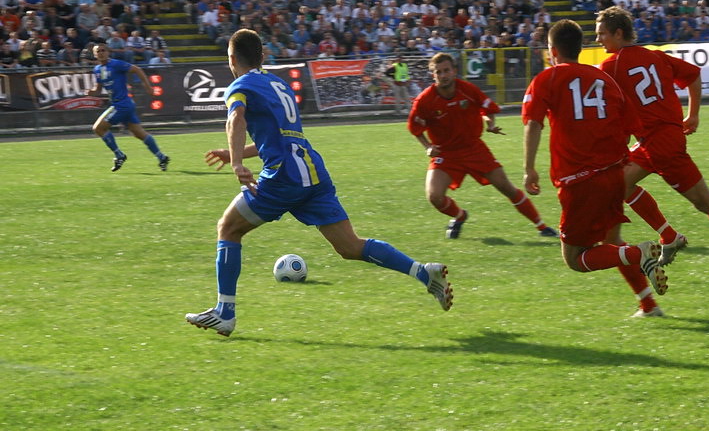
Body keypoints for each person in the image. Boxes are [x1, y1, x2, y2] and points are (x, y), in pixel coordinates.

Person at [186, 29, 452, 337]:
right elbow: (278, 138)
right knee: (350, 246)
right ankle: (423, 272)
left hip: (284, 176)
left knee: (228, 228)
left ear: (231, 59)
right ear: (262, 56)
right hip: (312, 171)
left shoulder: (240, 84)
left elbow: (236, 119)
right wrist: (236, 151)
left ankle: (224, 312)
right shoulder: (279, 84)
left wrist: (236, 161)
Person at [595, 6, 709, 283]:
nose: (598, 40)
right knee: (618, 184)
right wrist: (693, 114)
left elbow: (610, 107)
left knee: (705, 201)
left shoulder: (612, 65)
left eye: (602, 34)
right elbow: (692, 75)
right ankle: (669, 236)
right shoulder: (655, 56)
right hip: (656, 138)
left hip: (660, 142)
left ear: (618, 34)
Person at [522, 19, 668, 317]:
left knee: (575, 258)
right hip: (615, 174)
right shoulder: (603, 78)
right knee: (611, 242)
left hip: (579, 180)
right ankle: (649, 304)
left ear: (552, 51)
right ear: (580, 48)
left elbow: (533, 123)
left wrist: (529, 169)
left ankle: (638, 254)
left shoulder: (547, 79)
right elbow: (630, 126)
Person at [407, 52, 557, 240]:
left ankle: (541, 226)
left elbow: (486, 108)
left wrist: (490, 123)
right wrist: (427, 146)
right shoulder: (425, 100)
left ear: (454, 71)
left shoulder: (467, 90)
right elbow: (415, 127)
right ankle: (460, 216)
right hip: (446, 154)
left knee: (506, 187)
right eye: (438, 72)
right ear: (433, 75)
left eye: (446, 70)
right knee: (434, 196)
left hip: (474, 149)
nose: (443, 75)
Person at [86, 43, 170, 172]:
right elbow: (97, 89)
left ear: (108, 52)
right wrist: (91, 92)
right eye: (98, 51)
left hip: (122, 104)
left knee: (98, 128)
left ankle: (119, 155)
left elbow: (137, 69)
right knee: (139, 133)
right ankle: (161, 157)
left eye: (103, 50)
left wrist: (148, 87)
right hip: (123, 105)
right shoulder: (97, 69)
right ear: (94, 54)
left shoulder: (116, 64)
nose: (101, 53)